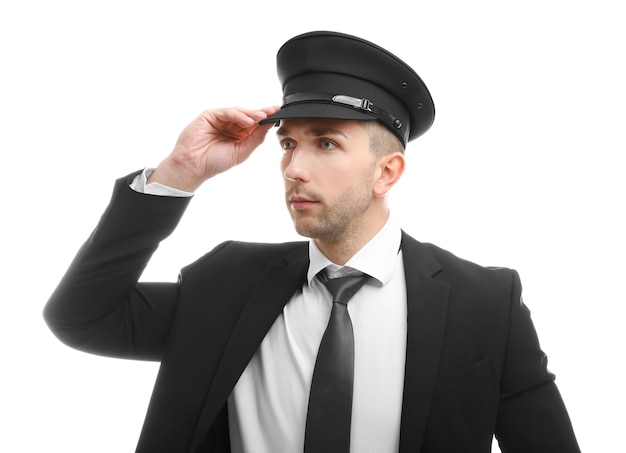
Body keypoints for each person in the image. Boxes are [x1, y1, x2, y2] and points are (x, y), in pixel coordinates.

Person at [43, 31, 580, 453]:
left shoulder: (485, 302)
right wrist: (180, 171)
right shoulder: (227, 282)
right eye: (287, 144)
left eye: (325, 143)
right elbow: (83, 317)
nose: (293, 168)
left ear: (386, 172)